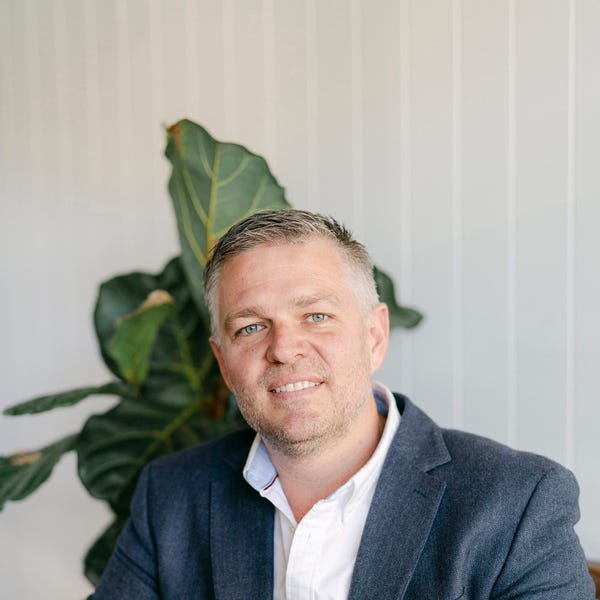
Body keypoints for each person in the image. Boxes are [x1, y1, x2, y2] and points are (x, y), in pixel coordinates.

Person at [90, 209, 594, 599]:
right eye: (251, 327)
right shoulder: (170, 495)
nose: (284, 348)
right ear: (223, 363)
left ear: (374, 336)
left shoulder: (516, 503)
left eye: (316, 316)